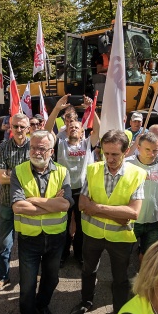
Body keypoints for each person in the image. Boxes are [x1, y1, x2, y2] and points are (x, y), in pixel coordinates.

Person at [69, 129, 147, 314]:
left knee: (120, 278)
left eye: (115, 154)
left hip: (121, 238)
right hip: (92, 234)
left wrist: (97, 208)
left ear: (126, 151)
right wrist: (119, 214)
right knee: (88, 271)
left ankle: (119, 312)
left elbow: (133, 212)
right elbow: (82, 205)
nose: (110, 158)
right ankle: (86, 301)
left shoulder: (138, 174)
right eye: (106, 153)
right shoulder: (93, 169)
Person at [11, 130, 73, 314]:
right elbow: (18, 207)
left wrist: (33, 199)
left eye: (41, 148)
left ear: (51, 152)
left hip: (56, 238)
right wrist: (51, 203)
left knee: (51, 278)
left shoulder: (63, 171)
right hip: (29, 237)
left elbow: (65, 205)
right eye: (33, 147)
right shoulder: (19, 171)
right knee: (27, 283)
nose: (36, 151)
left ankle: (43, 305)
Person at [0, 113, 30, 298]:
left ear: (28, 128)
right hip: (6, 202)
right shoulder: (3, 147)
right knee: (5, 244)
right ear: (10, 127)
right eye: (15, 126)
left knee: (29, 244)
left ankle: (28, 276)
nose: (18, 130)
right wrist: (24, 175)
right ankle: (2, 277)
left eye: (22, 126)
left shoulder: (34, 146)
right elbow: (2, 178)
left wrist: (11, 173)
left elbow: (36, 176)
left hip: (29, 203)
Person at [52, 98, 99, 267]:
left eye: (77, 127)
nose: (73, 128)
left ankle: (79, 255)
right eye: (70, 126)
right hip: (64, 190)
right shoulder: (60, 144)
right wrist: (57, 109)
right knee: (63, 226)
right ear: (66, 130)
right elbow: (47, 129)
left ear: (82, 132)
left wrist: (91, 108)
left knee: (81, 226)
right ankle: (63, 255)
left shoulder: (87, 144)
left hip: (83, 190)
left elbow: (98, 130)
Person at [126, 133, 158, 261]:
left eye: (155, 150)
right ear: (138, 147)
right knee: (123, 253)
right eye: (147, 149)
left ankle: (143, 278)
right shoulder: (127, 164)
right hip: (131, 220)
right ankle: (121, 280)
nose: (152, 153)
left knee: (150, 255)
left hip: (156, 219)